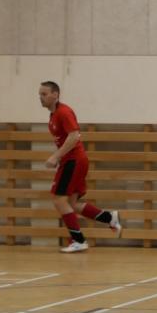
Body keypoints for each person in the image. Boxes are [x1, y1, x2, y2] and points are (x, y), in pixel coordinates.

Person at [38, 81, 122, 252]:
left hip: (73, 160)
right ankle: (109, 218)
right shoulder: (53, 115)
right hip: (74, 160)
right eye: (39, 94)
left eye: (44, 94)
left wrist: (55, 156)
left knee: (58, 199)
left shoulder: (64, 112)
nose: (41, 97)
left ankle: (78, 240)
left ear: (55, 95)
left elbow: (74, 136)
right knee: (71, 203)